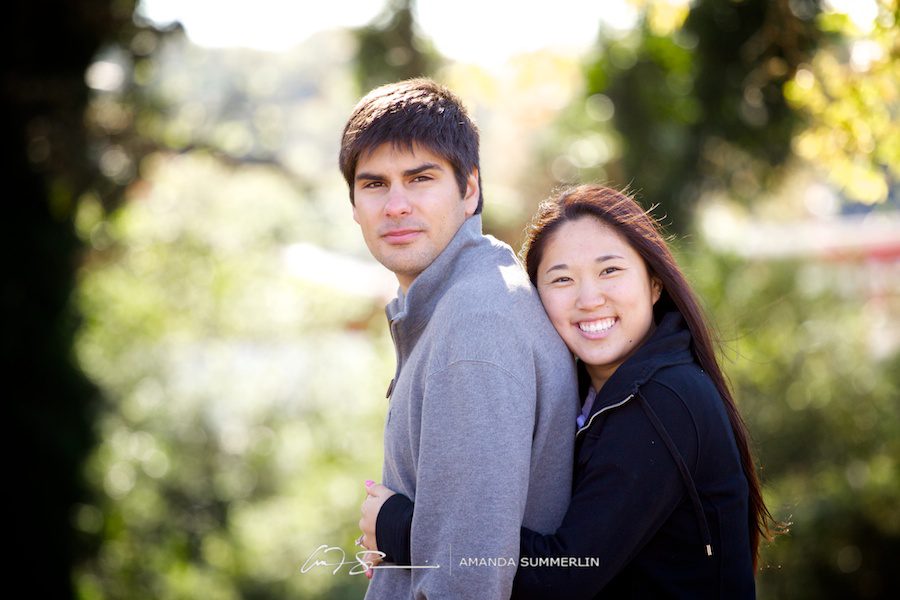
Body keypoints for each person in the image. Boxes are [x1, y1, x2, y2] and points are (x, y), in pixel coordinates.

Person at [360, 185, 778, 598]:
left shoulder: (663, 401)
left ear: (654, 284)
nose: (589, 298)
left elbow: (563, 574)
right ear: (536, 300)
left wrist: (398, 527)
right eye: (561, 279)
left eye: (610, 270)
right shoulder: (585, 400)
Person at [340, 78, 579, 599]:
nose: (395, 204)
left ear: (469, 189)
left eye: (420, 178)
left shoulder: (476, 325)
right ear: (354, 204)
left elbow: (468, 580)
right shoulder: (456, 302)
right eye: (374, 184)